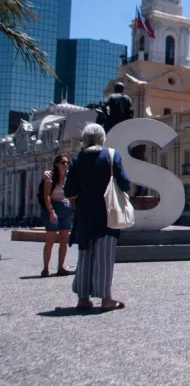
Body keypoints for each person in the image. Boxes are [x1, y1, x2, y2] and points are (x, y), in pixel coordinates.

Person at [64, 124, 131, 313]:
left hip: (85, 215)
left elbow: (69, 190)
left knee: (85, 255)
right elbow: (125, 182)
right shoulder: (112, 155)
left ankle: (83, 299)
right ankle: (106, 299)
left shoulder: (77, 159)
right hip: (108, 214)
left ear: (84, 139)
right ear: (102, 138)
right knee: (105, 257)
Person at [40, 155, 73, 277]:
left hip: (66, 208)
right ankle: (46, 268)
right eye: (63, 163)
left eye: (67, 163)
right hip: (54, 207)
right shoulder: (50, 177)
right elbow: (46, 196)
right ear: (56, 164)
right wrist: (51, 211)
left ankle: (60, 267)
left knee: (64, 240)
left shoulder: (69, 176)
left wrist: (73, 209)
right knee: (50, 240)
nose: (65, 165)